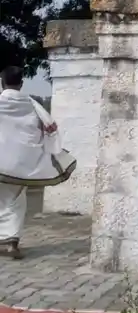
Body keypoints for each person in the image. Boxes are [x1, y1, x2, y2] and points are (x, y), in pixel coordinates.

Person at [0, 66, 76, 259]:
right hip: (21, 165)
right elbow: (50, 128)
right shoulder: (33, 104)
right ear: (22, 83)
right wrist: (48, 153)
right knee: (16, 202)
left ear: (2, 82)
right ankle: (11, 243)